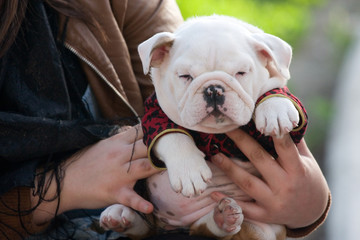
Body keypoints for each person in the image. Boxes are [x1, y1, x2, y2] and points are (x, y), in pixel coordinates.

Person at [0, 0, 330, 239]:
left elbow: (189, 58)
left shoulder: (133, 13)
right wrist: (59, 188)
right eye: (190, 78)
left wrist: (310, 205)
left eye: (238, 73)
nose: (213, 92)